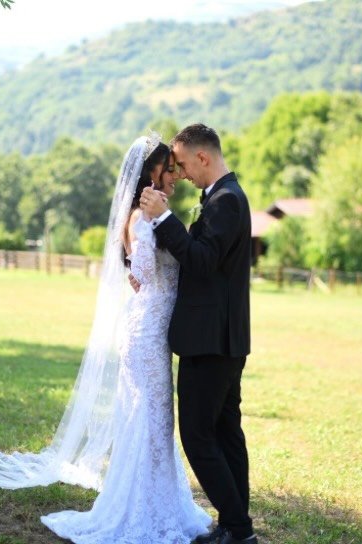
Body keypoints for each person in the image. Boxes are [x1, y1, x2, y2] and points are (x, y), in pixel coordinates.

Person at [0, 134, 211, 543]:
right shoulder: (141, 217)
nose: (175, 176)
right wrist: (155, 229)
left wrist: (159, 233)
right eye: (168, 169)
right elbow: (145, 273)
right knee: (148, 418)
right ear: (151, 173)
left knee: (153, 419)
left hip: (152, 329)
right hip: (146, 333)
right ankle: (139, 509)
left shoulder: (149, 215)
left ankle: (156, 502)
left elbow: (146, 271)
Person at [139, 124, 256, 544]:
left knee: (198, 436)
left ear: (203, 157)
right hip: (221, 339)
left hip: (210, 341)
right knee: (226, 434)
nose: (182, 173)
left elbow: (202, 261)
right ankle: (233, 526)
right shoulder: (225, 197)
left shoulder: (226, 202)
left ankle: (238, 529)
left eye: (184, 164)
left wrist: (163, 218)